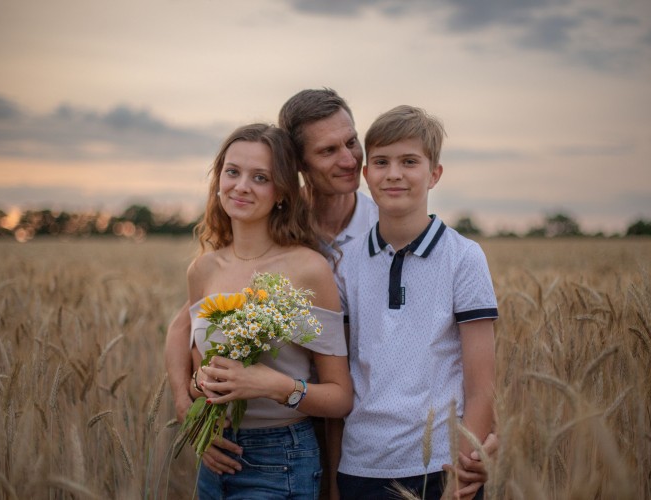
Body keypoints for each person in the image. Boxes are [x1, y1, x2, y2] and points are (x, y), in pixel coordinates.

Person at [164, 89, 496, 494]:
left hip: (364, 435)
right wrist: (189, 407)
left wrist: (480, 443)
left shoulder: (388, 216)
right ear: (298, 166)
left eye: (352, 143)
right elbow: (188, 322)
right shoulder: (271, 226)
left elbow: (469, 365)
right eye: (328, 151)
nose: (348, 160)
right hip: (335, 443)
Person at [331, 105, 498, 500]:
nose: (393, 174)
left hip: (437, 467)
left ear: (434, 173)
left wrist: (461, 470)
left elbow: (481, 385)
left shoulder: (464, 256)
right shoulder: (347, 263)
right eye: (381, 162)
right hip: (361, 465)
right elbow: (340, 373)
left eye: (409, 162)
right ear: (366, 173)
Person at [184, 123, 353, 498]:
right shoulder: (203, 271)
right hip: (213, 457)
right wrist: (201, 411)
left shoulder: (308, 269)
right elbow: (199, 372)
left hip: (282, 459)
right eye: (232, 172)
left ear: (281, 193)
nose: (241, 186)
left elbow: (340, 397)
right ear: (218, 180)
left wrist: (271, 385)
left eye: (260, 177)